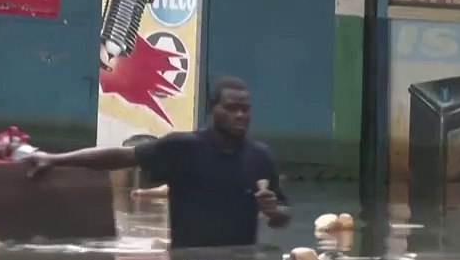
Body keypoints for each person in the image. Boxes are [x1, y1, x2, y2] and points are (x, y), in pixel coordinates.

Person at [25, 76, 291, 248]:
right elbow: (120, 157)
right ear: (213, 110)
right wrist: (55, 159)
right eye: (231, 108)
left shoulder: (260, 157)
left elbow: (281, 217)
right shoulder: (183, 148)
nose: (240, 115)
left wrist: (273, 212)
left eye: (245, 109)